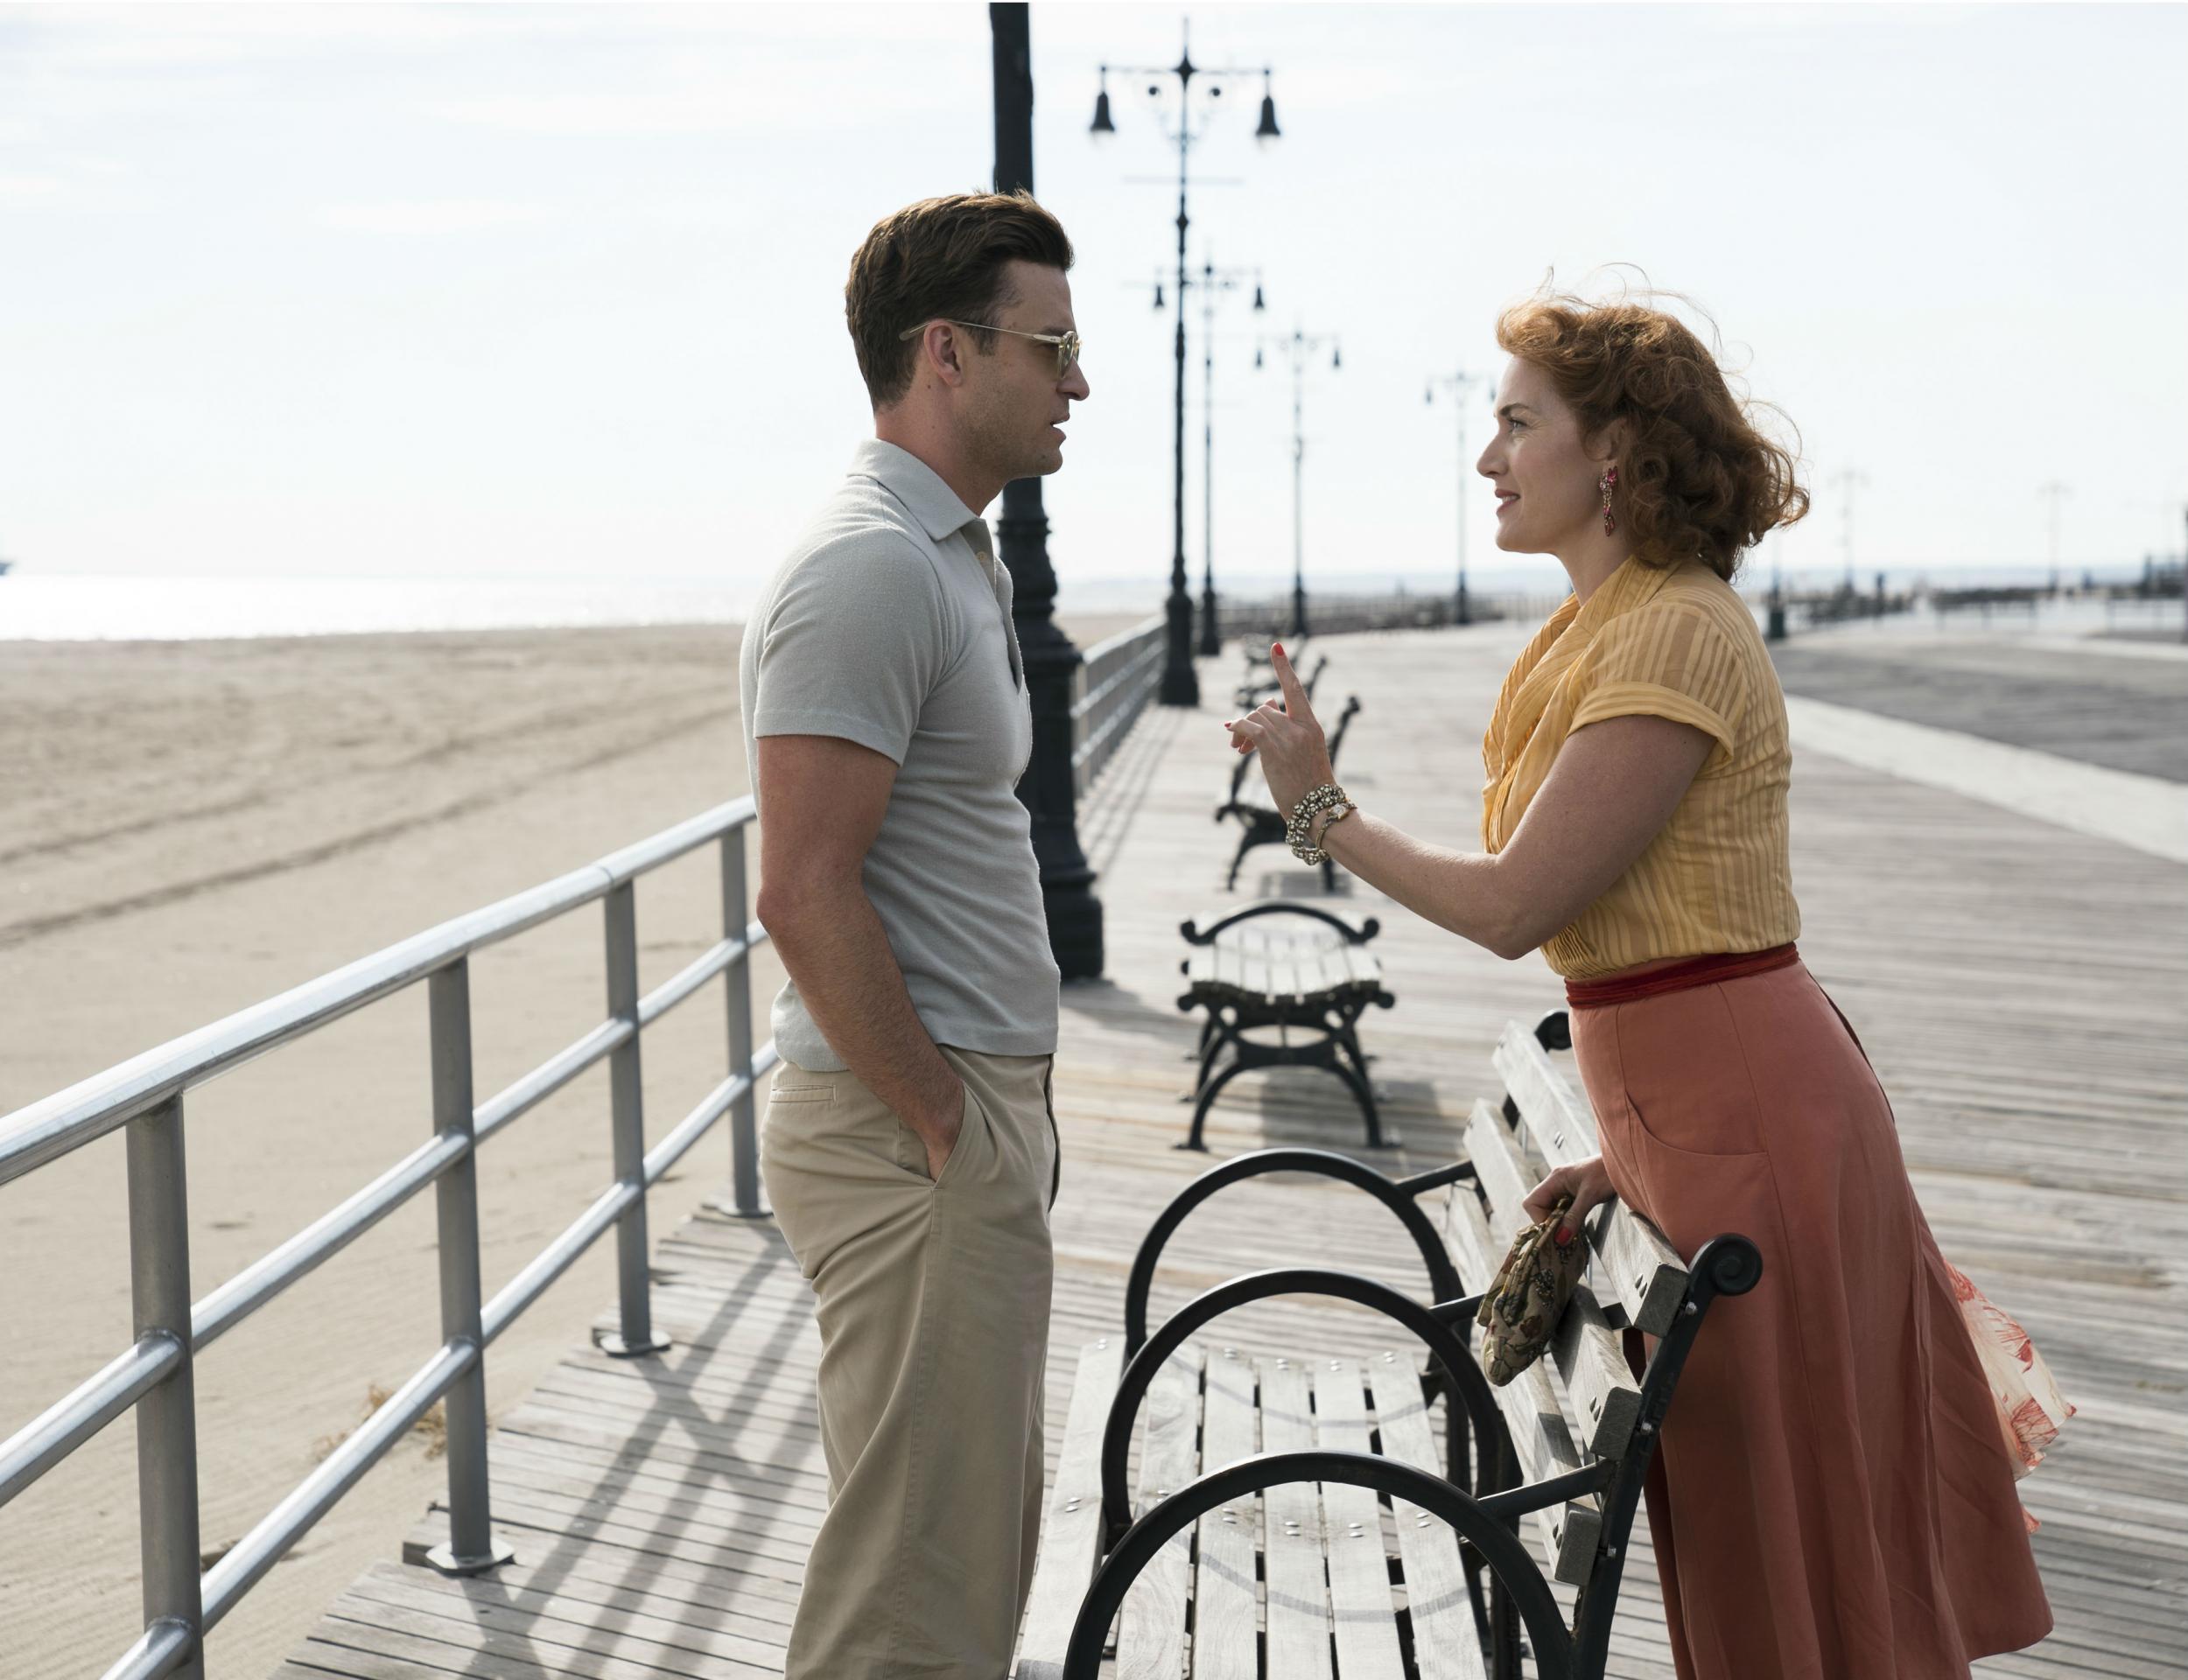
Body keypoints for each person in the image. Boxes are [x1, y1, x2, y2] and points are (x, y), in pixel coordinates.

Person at [1224, 290, 2055, 1678]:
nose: (1487, 459)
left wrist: (1319, 812)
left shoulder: (1674, 633)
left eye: (1514, 424)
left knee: (1799, 1553)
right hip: (1693, 1110)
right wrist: (1624, 1152)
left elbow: (1518, 910)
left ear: (1612, 452)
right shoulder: (1601, 629)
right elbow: (1623, 930)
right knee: (1760, 1554)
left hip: (1748, 1112)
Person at [741, 190, 1089, 1679]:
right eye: (1052, 346)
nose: (1078, 382)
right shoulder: (869, 561)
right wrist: (945, 1123)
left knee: (957, 1570)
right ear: (947, 352)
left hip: (962, 1120)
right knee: (906, 1611)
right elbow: (802, 887)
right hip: (913, 1134)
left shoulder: (952, 552)